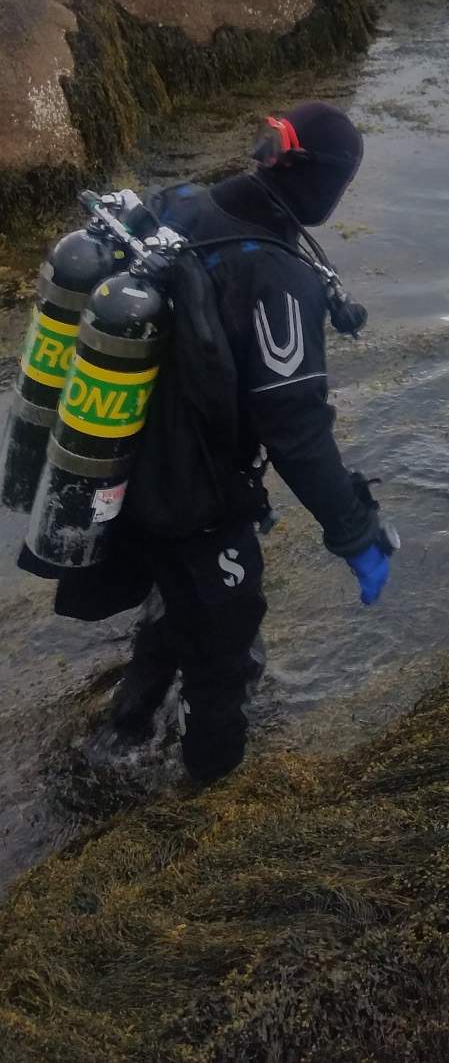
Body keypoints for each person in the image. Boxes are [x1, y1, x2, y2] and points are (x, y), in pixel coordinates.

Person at [53, 100, 393, 785]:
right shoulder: (276, 277)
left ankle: (121, 734)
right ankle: (208, 792)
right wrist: (355, 533)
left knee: (176, 603)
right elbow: (296, 433)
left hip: (121, 465)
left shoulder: (180, 206)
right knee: (226, 649)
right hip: (192, 497)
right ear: (324, 181)